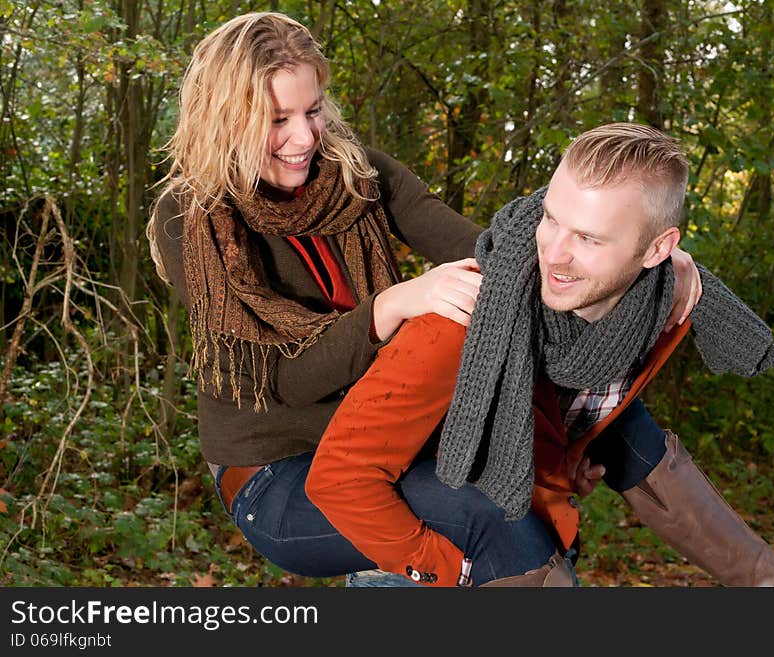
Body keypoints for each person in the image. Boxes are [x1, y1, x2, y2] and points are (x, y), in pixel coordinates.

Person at [145, 12, 702, 585]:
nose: (305, 137)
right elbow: (282, 381)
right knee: (485, 516)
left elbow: (495, 255)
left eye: (312, 111)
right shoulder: (193, 221)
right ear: (223, 119)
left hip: (389, 443)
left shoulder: (355, 172)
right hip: (279, 469)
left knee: (554, 469)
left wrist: (643, 259)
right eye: (277, 118)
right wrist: (392, 307)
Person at [306, 122, 774, 587]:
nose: (555, 253)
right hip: (436, 551)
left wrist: (566, 457)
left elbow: (578, 410)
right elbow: (338, 478)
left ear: (657, 249)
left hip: (544, 518)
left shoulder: (656, 304)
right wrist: (446, 569)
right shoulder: (460, 321)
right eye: (550, 218)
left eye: (590, 239)